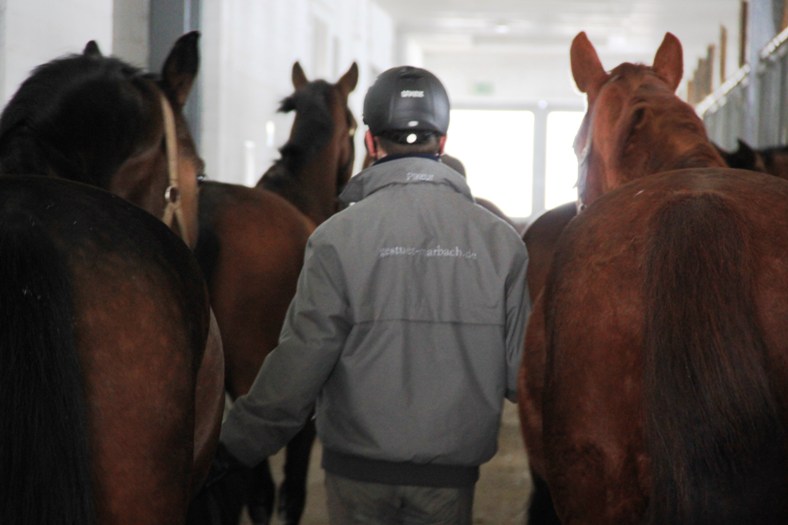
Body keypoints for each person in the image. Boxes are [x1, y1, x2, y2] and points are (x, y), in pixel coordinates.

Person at [216, 65, 530, 524]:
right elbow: (522, 377)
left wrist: (232, 447)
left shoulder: (334, 239)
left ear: (369, 142)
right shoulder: (502, 244)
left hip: (355, 476)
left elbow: (299, 368)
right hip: (450, 482)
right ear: (442, 143)